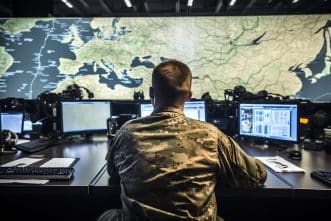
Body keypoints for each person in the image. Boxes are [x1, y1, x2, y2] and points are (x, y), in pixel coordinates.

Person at [99, 60, 267, 221]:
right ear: (189, 96)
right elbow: (254, 177)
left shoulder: (126, 132)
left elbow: (113, 172)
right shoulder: (210, 134)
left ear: (151, 92)